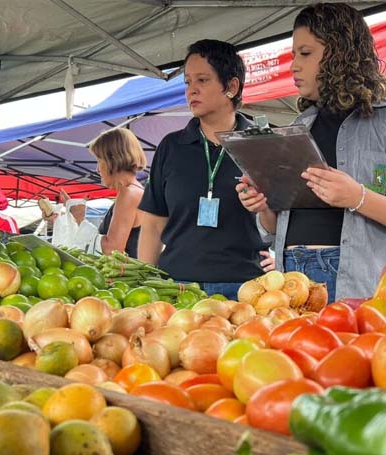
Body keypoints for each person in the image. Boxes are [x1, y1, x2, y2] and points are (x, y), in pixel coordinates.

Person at [237, 3, 386, 301]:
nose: (293, 65)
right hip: (290, 278)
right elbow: (271, 230)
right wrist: (264, 205)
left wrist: (358, 197)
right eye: (293, 54)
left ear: (340, 53)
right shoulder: (298, 126)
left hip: (361, 280)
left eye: (305, 54)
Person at [138, 39, 273, 300]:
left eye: (202, 80)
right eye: (188, 82)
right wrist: (146, 282)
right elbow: (153, 225)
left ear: (231, 86)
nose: (192, 91)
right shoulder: (172, 146)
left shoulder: (263, 142)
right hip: (176, 287)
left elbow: (280, 220)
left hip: (244, 290)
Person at [90, 128, 146, 258]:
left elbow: (112, 249)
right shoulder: (135, 190)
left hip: (126, 278)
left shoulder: (129, 193)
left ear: (113, 160)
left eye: (99, 160)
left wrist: (82, 226)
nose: (97, 169)